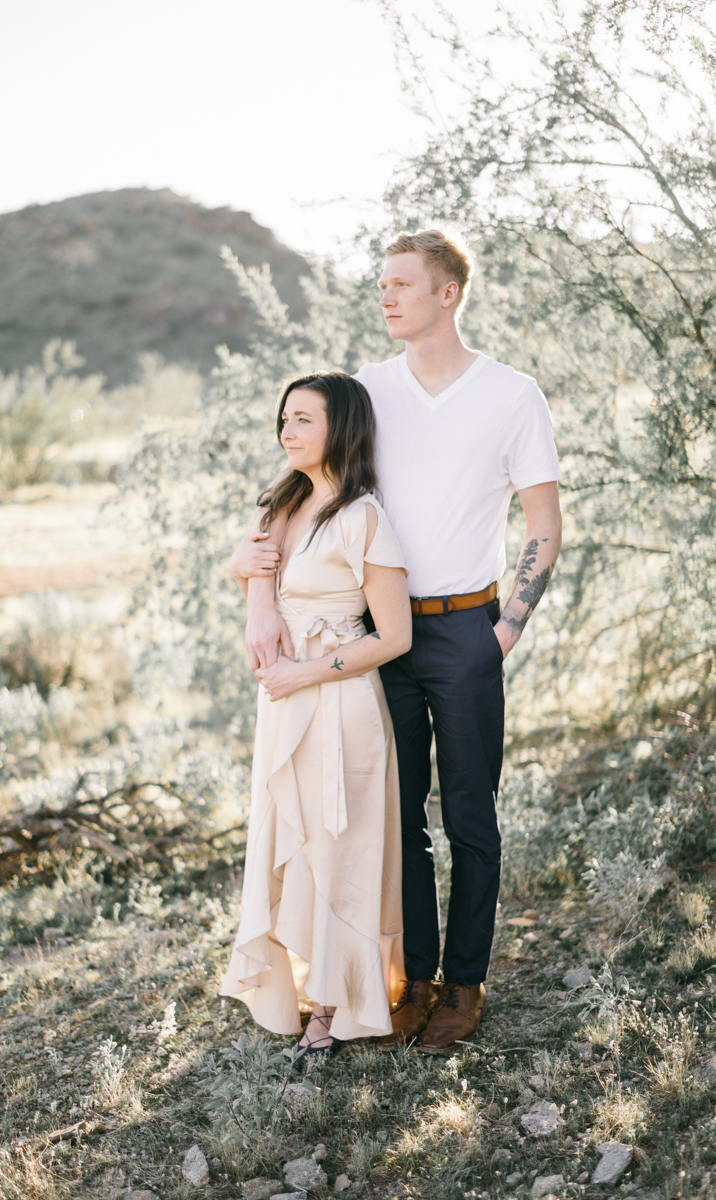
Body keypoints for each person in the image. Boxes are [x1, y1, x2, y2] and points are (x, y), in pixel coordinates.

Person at [231, 229, 562, 1055]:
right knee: (395, 819)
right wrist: (256, 584)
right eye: (381, 285)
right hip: (372, 632)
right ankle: (409, 980)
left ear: (447, 293)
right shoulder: (368, 391)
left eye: (401, 285)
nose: (384, 297)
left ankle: (465, 984)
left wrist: (506, 628)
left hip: (464, 628)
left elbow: (544, 526)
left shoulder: (512, 395)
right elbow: (302, 482)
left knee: (472, 818)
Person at [220, 371, 413, 1067]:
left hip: (338, 702)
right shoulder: (281, 501)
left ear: (342, 428)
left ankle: (334, 1007)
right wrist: (252, 593)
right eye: (284, 419)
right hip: (283, 702)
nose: (288, 431)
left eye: (303, 419)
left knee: (339, 847)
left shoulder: (363, 515)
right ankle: (294, 984)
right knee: (288, 836)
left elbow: (394, 637)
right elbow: (256, 575)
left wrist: (306, 670)